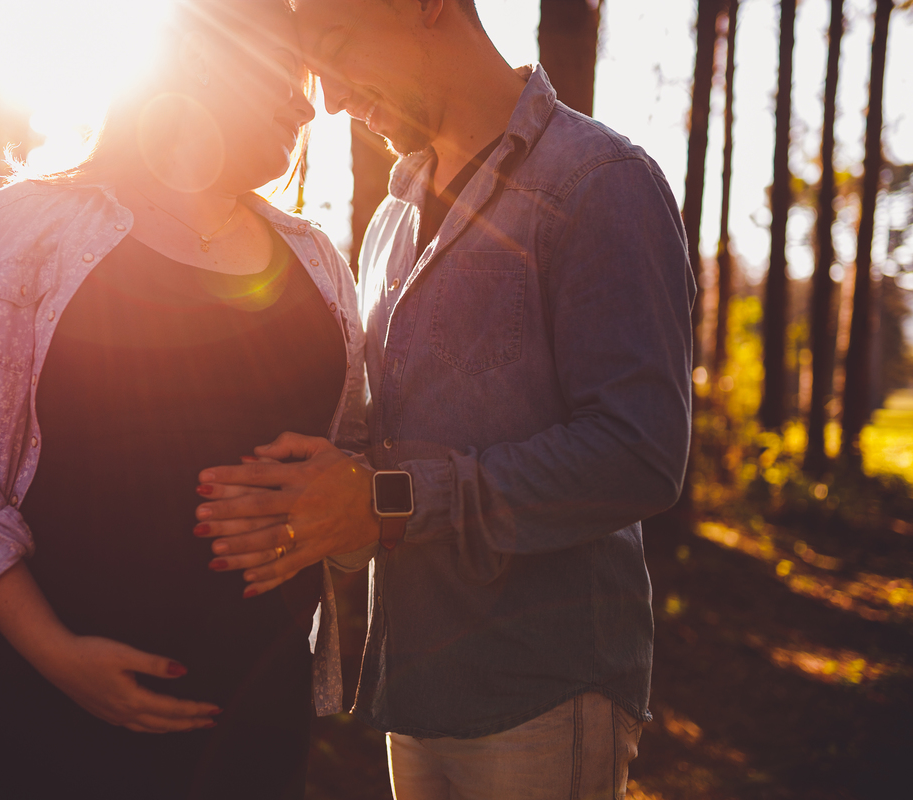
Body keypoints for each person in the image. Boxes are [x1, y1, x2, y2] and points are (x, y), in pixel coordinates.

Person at [193, 0, 695, 797]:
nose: (330, 99)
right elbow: (387, 445)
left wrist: (387, 501)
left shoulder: (600, 181)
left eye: (336, 47)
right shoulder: (392, 221)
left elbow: (638, 454)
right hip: (415, 685)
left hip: (542, 686)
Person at [0, 1, 366, 797]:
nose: (308, 106)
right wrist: (57, 657)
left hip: (257, 722)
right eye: (287, 74)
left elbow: (353, 460)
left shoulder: (317, 260)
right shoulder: (31, 226)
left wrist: (340, 500)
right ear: (204, 56)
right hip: (54, 720)